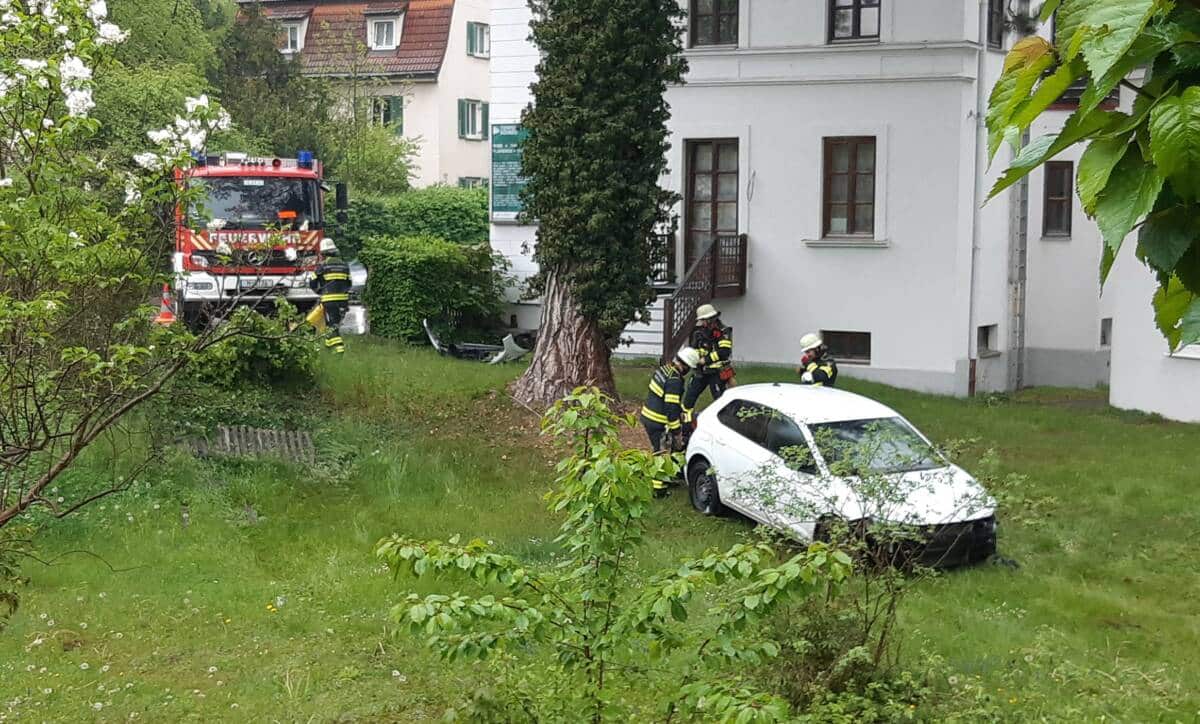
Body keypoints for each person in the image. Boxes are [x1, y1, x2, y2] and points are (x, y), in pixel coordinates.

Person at [641, 346, 701, 494]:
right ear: (686, 366)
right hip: (658, 421)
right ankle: (658, 489)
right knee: (661, 454)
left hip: (648, 415)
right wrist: (676, 430)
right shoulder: (675, 380)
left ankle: (667, 477)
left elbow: (667, 399)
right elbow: (670, 407)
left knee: (660, 451)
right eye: (690, 368)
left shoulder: (664, 370)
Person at [682, 304, 735, 439]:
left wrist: (705, 360)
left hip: (717, 373)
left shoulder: (724, 331)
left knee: (721, 401)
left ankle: (725, 431)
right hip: (700, 372)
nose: (703, 323)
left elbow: (724, 352)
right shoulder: (699, 331)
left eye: (704, 320)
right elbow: (694, 348)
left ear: (711, 319)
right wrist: (694, 357)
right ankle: (686, 429)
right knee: (688, 400)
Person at [309, 238, 351, 354]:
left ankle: (339, 350)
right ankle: (329, 349)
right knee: (331, 324)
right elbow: (349, 284)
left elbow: (312, 282)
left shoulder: (322, 266)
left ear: (323, 254)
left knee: (332, 326)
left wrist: (319, 292)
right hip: (343, 302)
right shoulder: (345, 266)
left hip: (329, 301)